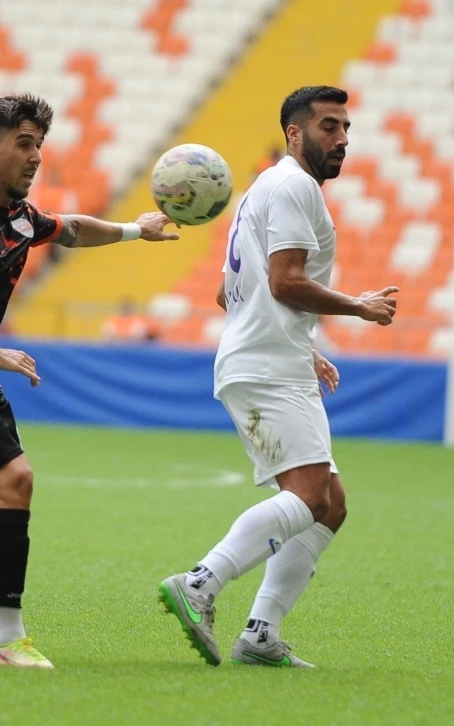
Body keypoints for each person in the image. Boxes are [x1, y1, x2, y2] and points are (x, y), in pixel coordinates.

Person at [0, 93, 178, 669]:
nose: (36, 156)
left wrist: (133, 231)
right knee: (15, 481)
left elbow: (69, 229)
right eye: (24, 144)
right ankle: (8, 641)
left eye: (39, 145)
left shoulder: (19, 215)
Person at [158, 86, 398, 668]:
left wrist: (303, 343)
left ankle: (261, 634)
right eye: (327, 127)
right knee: (310, 496)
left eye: (345, 128)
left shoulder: (266, 186)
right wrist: (358, 306)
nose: (341, 139)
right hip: (267, 367)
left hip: (267, 357)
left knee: (330, 503)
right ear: (295, 133)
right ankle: (200, 583)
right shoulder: (293, 186)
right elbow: (285, 282)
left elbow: (227, 292)